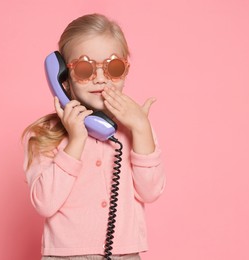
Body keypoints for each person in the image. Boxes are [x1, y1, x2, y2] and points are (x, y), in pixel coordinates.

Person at [22, 13, 166, 260]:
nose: (100, 77)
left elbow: (150, 192)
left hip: (125, 253)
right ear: (63, 80)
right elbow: (44, 203)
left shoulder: (136, 127)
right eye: (85, 68)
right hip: (66, 256)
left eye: (113, 67)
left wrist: (141, 129)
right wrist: (76, 141)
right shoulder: (43, 134)